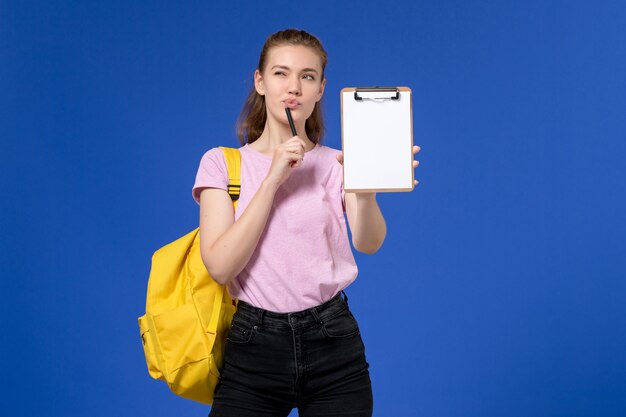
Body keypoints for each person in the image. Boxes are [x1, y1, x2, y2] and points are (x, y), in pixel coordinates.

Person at [192, 28, 420, 417]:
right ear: (260, 82)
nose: (293, 87)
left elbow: (368, 243)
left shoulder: (337, 164)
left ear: (320, 89)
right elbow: (220, 265)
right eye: (281, 73)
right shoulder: (222, 163)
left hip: (333, 342)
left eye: (308, 76)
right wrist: (272, 180)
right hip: (252, 345)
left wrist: (364, 189)